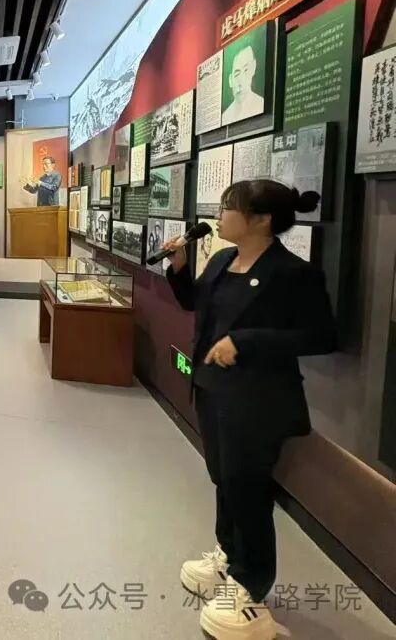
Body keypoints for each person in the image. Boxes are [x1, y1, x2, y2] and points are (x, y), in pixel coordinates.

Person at [164, 180, 336, 640]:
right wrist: (179, 268)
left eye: (228, 207)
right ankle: (228, 555)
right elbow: (195, 304)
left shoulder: (293, 273)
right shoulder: (222, 260)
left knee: (248, 488)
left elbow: (323, 337)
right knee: (223, 477)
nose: (219, 215)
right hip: (212, 389)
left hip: (259, 400)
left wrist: (246, 341)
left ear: (261, 220)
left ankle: (251, 586)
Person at [223, 46, 266, 125]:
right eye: (237, 74)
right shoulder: (225, 117)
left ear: (253, 69)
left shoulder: (261, 105)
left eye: (246, 70)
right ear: (230, 80)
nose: (241, 81)